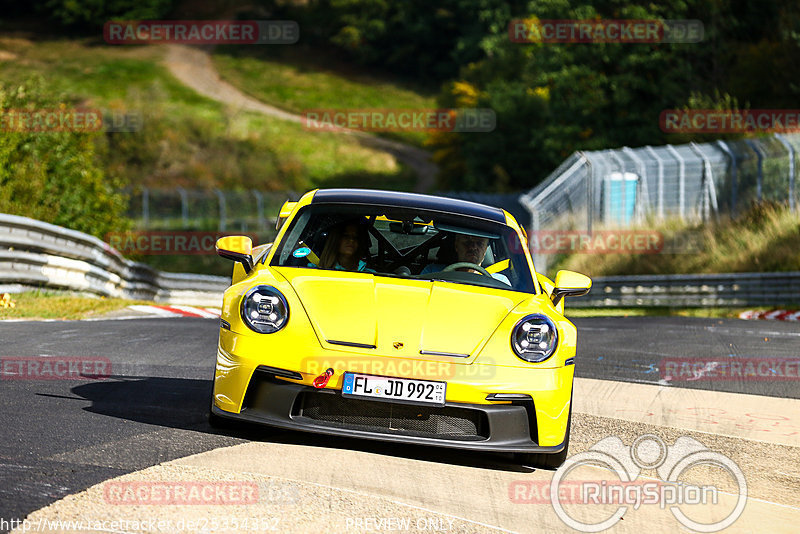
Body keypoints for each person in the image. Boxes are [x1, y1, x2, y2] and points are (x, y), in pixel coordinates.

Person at [421, 233, 510, 285]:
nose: (473, 247)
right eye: (468, 242)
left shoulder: (499, 281)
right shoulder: (432, 272)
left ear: (485, 250)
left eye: (479, 243)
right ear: (456, 246)